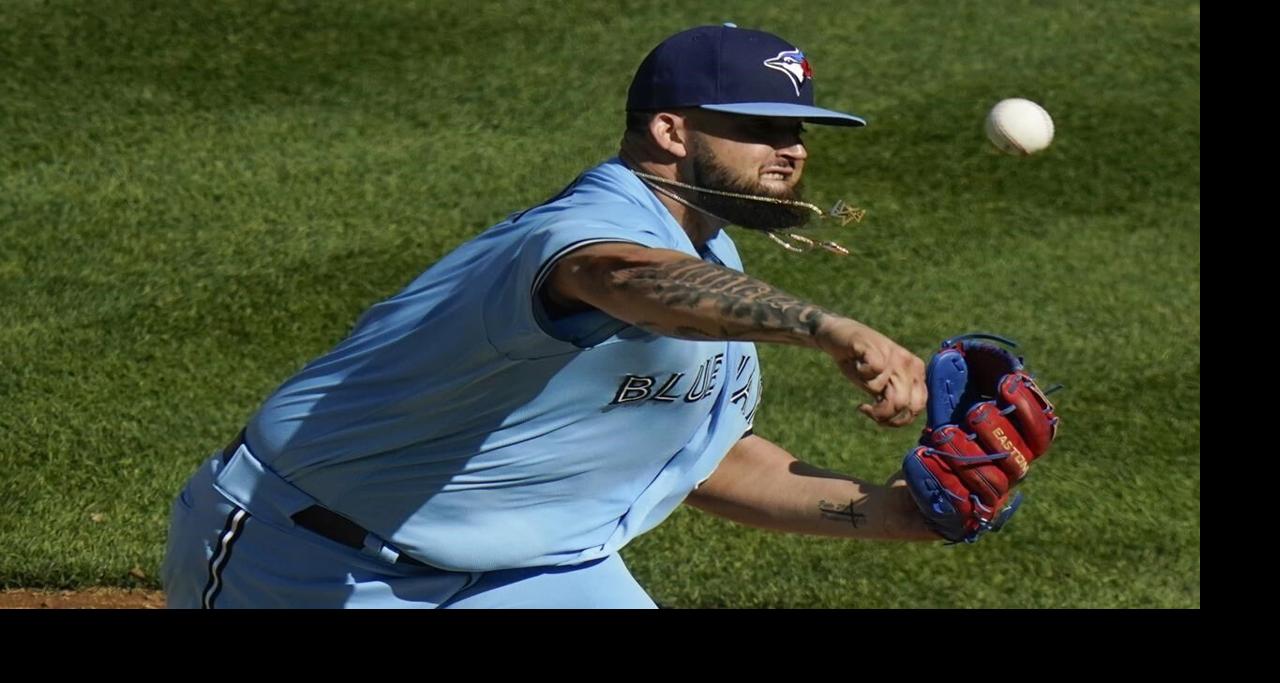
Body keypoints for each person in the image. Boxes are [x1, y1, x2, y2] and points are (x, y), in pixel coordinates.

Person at [161, 23, 939, 609]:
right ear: (671, 130)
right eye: (758, 127)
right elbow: (622, 277)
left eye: (797, 130)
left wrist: (898, 514)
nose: (792, 149)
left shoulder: (710, 249)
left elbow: (708, 458)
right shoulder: (589, 229)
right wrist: (825, 326)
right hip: (317, 560)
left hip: (535, 574)